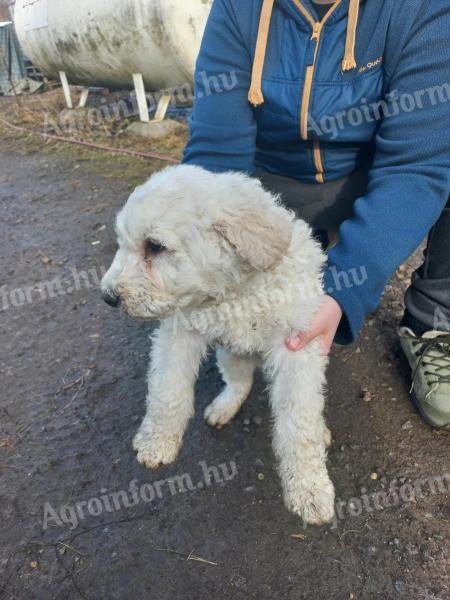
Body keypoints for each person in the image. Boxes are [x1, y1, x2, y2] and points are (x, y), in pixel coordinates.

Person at [183, 0, 450, 428]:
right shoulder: (237, 8)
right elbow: (217, 153)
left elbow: (415, 166)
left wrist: (344, 287)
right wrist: (207, 262)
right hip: (274, 182)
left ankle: (433, 321)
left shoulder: (420, 9)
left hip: (367, 173)